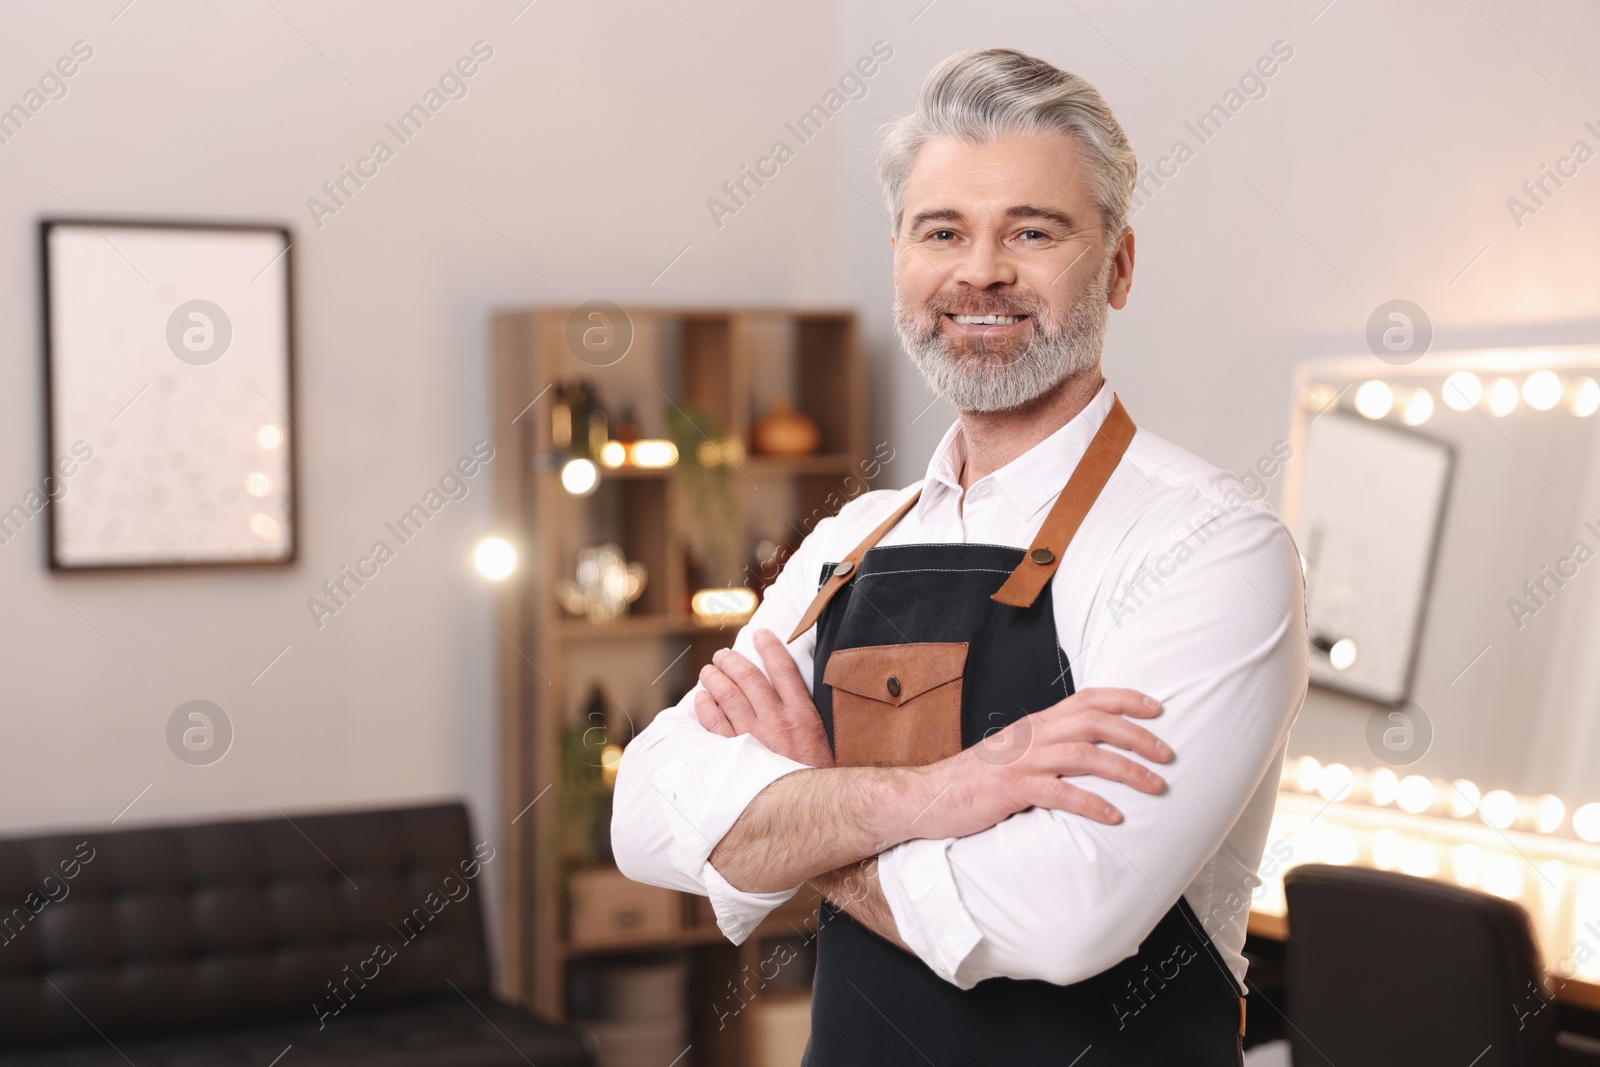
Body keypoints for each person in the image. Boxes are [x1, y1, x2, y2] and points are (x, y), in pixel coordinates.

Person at [612, 46, 1308, 1065]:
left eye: (1032, 230)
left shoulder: (1210, 545)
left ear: (1116, 265)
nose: (979, 270)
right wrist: (934, 794)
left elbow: (1062, 916)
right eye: (943, 230)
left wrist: (811, 805)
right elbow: (648, 814)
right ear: (901, 255)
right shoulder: (853, 538)